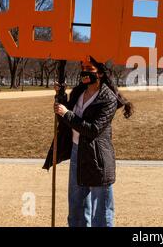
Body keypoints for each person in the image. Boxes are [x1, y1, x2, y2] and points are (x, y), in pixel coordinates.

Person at [43, 56, 133, 227]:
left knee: (101, 211)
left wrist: (66, 113)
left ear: (100, 72)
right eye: (82, 67)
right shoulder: (79, 92)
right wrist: (60, 97)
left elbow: (93, 130)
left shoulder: (108, 99)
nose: (85, 72)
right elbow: (65, 119)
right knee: (77, 205)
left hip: (98, 158)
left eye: (89, 68)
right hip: (78, 152)